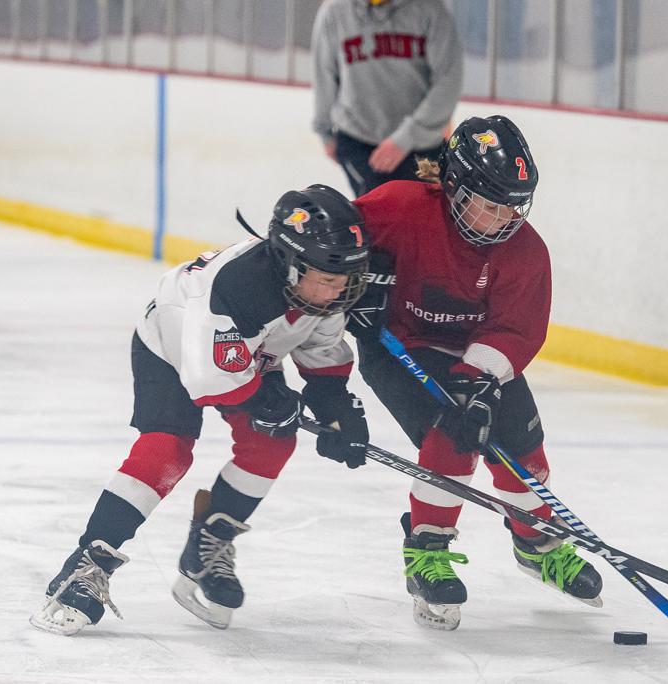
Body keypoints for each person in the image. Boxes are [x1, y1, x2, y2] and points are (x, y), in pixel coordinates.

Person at [30, 185, 372, 636]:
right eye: (328, 280)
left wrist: (336, 406)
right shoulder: (235, 288)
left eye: (345, 279)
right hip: (172, 347)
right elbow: (211, 379)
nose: (338, 291)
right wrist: (267, 401)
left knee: (272, 444)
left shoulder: (321, 285)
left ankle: (211, 540)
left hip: (246, 354)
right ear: (290, 264)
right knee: (167, 450)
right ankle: (86, 564)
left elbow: (320, 348)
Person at [346, 115, 603, 631]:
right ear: (454, 188)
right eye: (491, 204)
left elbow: (516, 328)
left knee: (523, 447)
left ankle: (536, 543)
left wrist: (479, 379)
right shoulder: (400, 207)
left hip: (476, 355)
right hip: (399, 346)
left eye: (514, 205)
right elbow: (335, 236)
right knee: (452, 434)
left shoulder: (525, 251)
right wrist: (353, 288)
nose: (505, 217)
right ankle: (427, 551)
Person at [311, 0, 462, 197]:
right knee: (378, 212)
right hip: (359, 143)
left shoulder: (431, 11)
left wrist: (406, 138)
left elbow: (448, 81)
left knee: (425, 209)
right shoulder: (335, 12)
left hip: (422, 146)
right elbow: (324, 74)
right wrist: (324, 131)